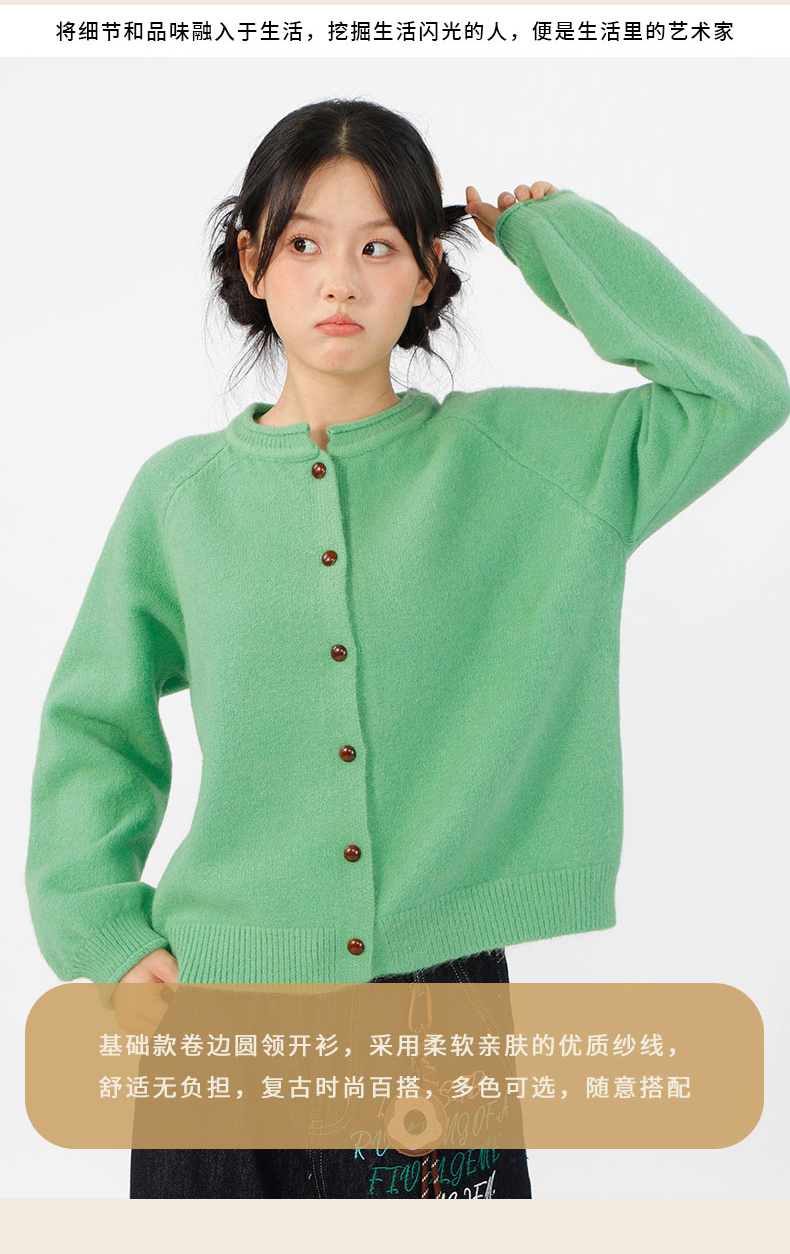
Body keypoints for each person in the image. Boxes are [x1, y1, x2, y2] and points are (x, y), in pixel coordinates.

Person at [25, 97, 790, 1199]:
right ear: (252, 259)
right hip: (215, 1012)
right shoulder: (180, 499)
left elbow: (742, 392)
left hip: (431, 1016)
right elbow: (95, 723)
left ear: (428, 269)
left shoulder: (521, 464)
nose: (339, 281)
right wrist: (101, 928)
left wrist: (556, 238)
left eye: (378, 246)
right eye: (304, 244)